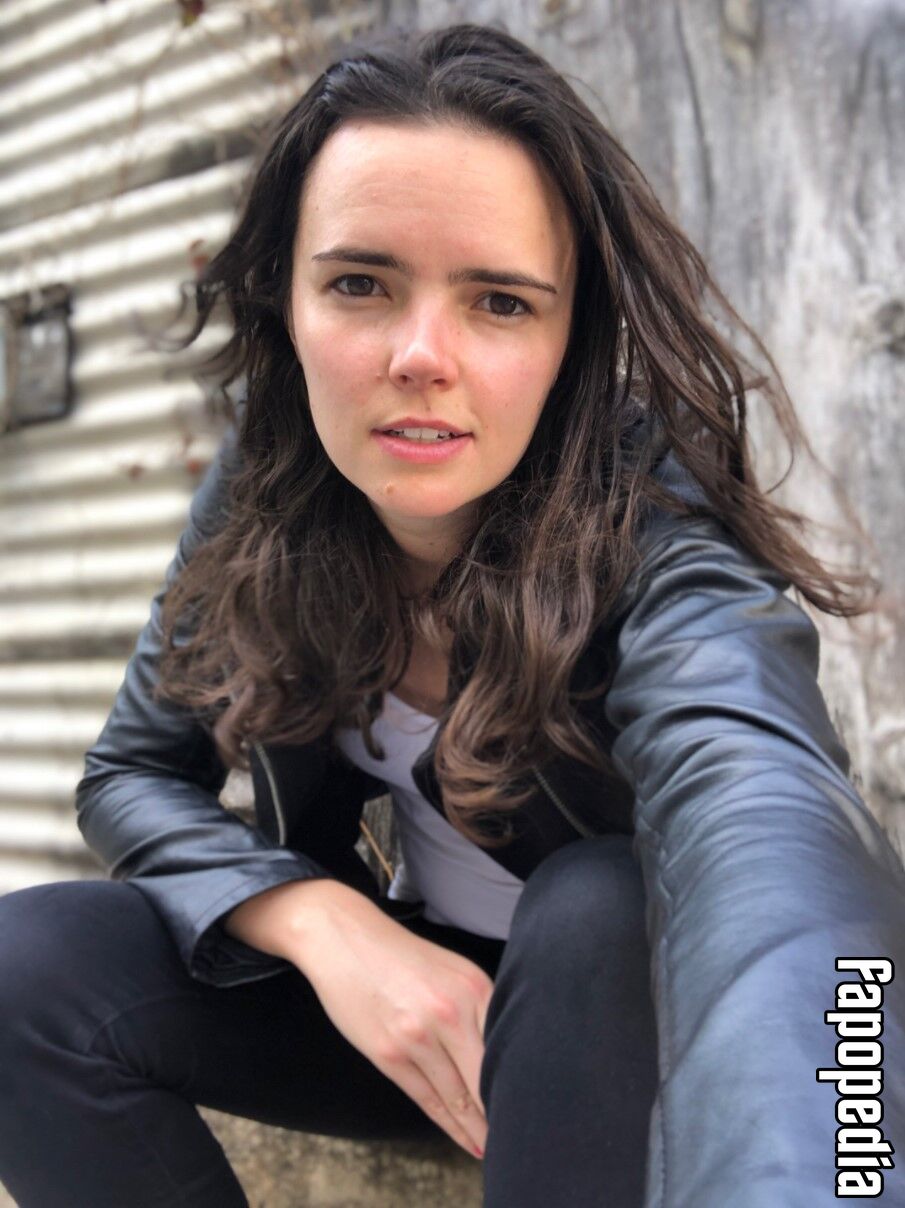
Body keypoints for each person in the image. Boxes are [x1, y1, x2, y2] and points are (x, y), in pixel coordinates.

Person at [1, 21, 903, 1208]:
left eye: (500, 301)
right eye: (359, 283)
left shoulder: (655, 519)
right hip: (425, 1002)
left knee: (597, 906)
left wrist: (836, 1159)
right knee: (22, 972)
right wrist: (322, 919)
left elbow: (765, 810)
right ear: (284, 301)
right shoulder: (269, 486)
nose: (421, 355)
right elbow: (131, 771)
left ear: (569, 335)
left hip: (636, 1022)